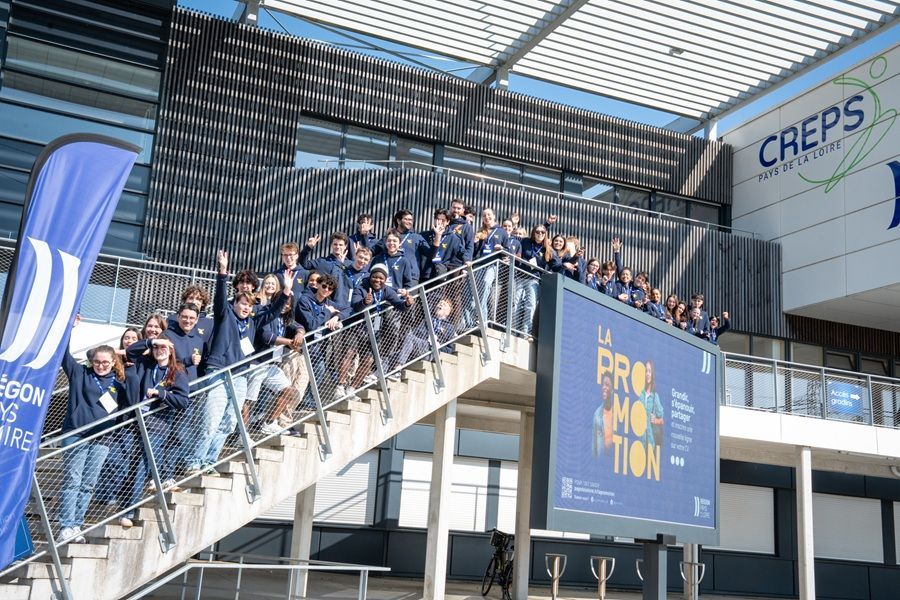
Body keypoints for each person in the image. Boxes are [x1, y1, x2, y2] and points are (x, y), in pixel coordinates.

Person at [181, 250, 289, 477]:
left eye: (249, 305)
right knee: (212, 419)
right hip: (219, 371)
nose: (246, 308)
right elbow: (220, 300)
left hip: (240, 375)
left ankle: (209, 461)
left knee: (229, 422)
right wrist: (223, 272)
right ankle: (194, 461)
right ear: (235, 304)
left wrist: (286, 292)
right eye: (242, 304)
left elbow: (272, 312)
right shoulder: (225, 315)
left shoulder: (252, 321)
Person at [58, 330, 128, 543]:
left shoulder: (120, 383)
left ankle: (77, 524)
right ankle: (66, 526)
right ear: (91, 361)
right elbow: (63, 353)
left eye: (105, 362)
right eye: (97, 361)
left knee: (88, 484)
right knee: (73, 480)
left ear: (113, 362)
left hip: (102, 439)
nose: (101, 365)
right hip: (76, 434)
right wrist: (69, 326)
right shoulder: (80, 373)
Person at [120, 338, 189, 527]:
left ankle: (129, 511)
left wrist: (162, 394)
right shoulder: (146, 364)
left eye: (164, 347)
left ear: (171, 350)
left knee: (141, 466)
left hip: (157, 425)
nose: (159, 350)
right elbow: (131, 352)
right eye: (156, 347)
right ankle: (123, 506)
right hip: (135, 422)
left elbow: (183, 401)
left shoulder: (178, 371)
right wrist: (152, 341)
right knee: (126, 464)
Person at [351, 263, 414, 379]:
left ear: (385, 280)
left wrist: (407, 304)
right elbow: (355, 306)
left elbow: (398, 304)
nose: (377, 280)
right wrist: (364, 302)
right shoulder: (362, 287)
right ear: (370, 276)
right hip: (359, 323)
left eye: (381, 278)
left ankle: (367, 373)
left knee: (371, 352)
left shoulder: (387, 290)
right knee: (352, 351)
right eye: (375, 277)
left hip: (377, 320)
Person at [394, 297, 457, 366]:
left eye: (444, 304)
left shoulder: (450, 328)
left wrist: (439, 345)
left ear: (448, 312)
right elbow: (417, 333)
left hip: (433, 352)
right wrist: (427, 337)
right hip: (422, 345)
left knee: (409, 338)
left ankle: (399, 366)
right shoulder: (427, 320)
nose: (441, 304)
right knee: (392, 356)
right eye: (440, 303)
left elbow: (450, 349)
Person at [421, 208, 463, 280]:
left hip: (440, 275)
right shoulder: (424, 235)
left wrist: (466, 264)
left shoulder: (453, 238)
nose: (439, 223)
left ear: (448, 222)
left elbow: (461, 254)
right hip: (425, 274)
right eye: (437, 219)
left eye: (443, 220)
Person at [640, 360, 664, 448]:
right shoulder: (640, 394)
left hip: (650, 443)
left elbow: (662, 420)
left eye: (649, 371)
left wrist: (655, 420)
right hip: (640, 441)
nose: (647, 374)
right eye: (646, 371)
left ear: (652, 374)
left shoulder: (655, 397)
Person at [592, 371, 614, 458]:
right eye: (603, 385)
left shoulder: (619, 414)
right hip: (602, 463)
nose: (604, 387)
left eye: (607, 385)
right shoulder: (597, 415)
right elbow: (594, 448)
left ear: (612, 390)